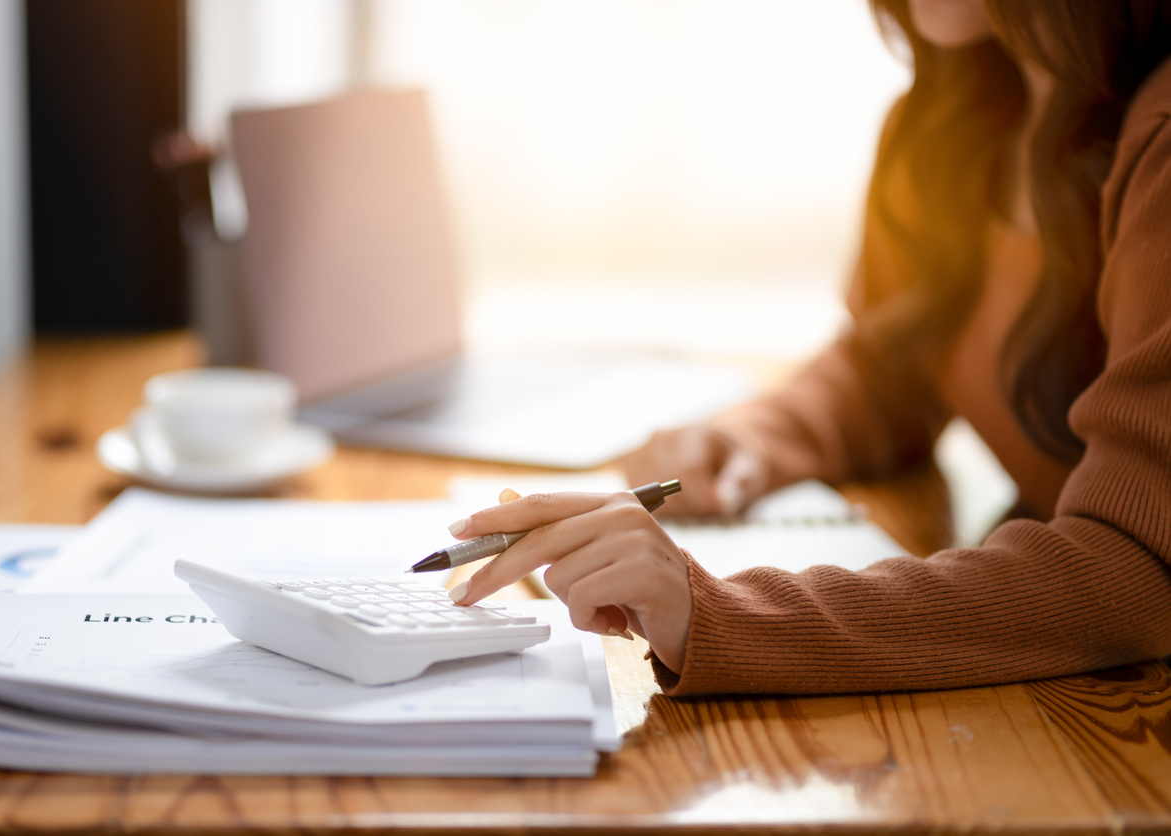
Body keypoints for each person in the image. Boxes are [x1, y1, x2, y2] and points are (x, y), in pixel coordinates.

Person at [447, 0, 1171, 695]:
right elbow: (897, 361)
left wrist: (722, 615)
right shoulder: (956, 114)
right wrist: (753, 438)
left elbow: (1138, 566)